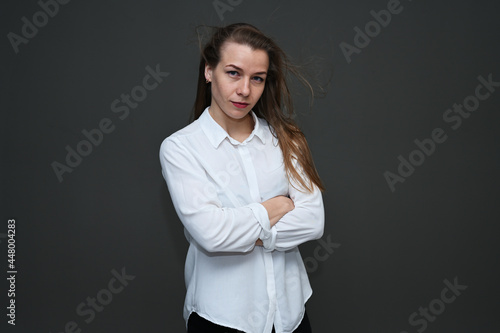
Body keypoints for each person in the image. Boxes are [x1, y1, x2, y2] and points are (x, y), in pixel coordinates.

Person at [159, 23, 325, 333]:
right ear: (209, 71)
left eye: (257, 78)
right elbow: (212, 236)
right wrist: (275, 207)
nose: (245, 90)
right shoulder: (181, 148)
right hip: (221, 319)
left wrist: (243, 233)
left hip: (290, 317)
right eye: (233, 73)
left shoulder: (287, 139)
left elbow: (313, 220)